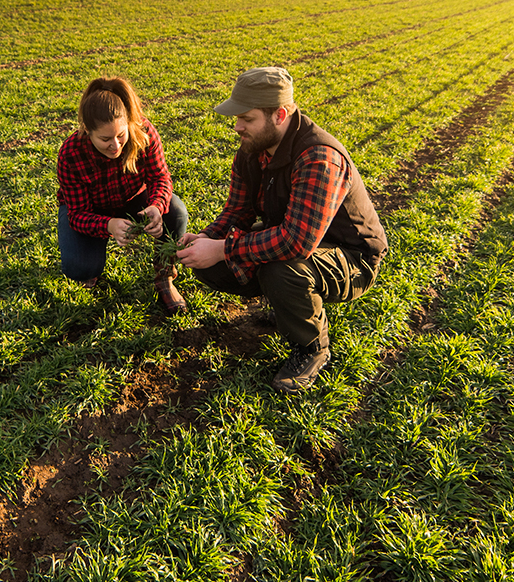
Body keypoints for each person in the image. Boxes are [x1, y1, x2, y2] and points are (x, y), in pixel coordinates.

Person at [176, 67, 387, 392]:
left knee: (281, 269)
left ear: (281, 114)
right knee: (214, 266)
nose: (237, 127)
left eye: (247, 118)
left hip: (351, 257)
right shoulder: (252, 151)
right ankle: (288, 306)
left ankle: (313, 348)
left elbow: (296, 242)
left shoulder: (319, 158)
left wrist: (221, 249)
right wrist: (207, 239)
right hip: (297, 240)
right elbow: (237, 212)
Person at [56, 76, 189, 315]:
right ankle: (90, 268)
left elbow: (160, 178)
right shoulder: (70, 152)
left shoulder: (144, 131)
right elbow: (76, 214)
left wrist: (157, 207)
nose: (116, 146)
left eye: (121, 135)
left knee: (175, 211)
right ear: (87, 131)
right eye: (105, 139)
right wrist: (108, 225)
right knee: (79, 268)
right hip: (92, 210)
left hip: (133, 198)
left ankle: (164, 276)